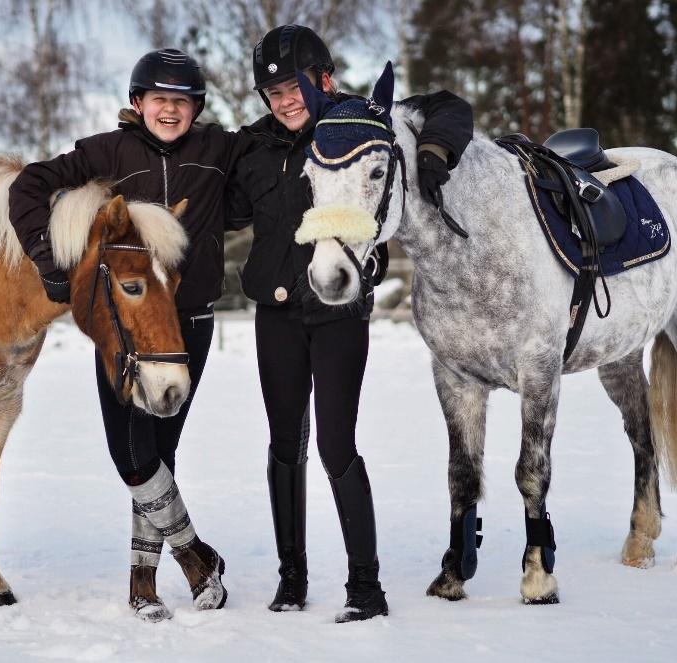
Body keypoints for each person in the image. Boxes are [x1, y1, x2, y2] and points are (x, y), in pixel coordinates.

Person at [228, 24, 473, 623]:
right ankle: (292, 579)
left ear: (323, 80)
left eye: (292, 88)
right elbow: (212, 192)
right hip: (277, 315)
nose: (283, 101)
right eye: (271, 93)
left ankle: (366, 586)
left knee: (337, 445)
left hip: (339, 315)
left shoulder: (356, 124)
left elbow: (448, 108)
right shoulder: (253, 148)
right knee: (285, 445)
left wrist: (436, 154)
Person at [9, 48, 253, 622]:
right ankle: (196, 558)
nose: (170, 111)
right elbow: (29, 186)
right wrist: (51, 264)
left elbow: (274, 144)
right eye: (159, 100)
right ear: (137, 103)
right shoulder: (107, 152)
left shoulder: (220, 149)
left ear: (197, 108)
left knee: (156, 455)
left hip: (186, 322)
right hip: (123, 330)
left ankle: (141, 584)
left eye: (183, 102)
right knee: (132, 458)